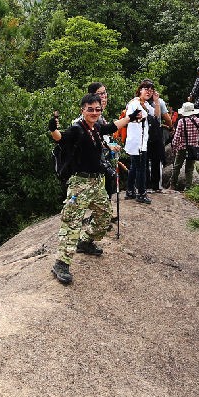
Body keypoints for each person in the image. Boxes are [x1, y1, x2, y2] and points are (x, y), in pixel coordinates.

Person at [48, 93, 129, 285]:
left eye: (97, 109)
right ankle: (61, 263)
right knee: (72, 223)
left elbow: (112, 126)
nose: (94, 112)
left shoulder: (97, 127)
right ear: (82, 110)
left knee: (104, 216)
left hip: (96, 183)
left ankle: (86, 241)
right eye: (90, 109)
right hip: (80, 184)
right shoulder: (77, 129)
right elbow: (61, 138)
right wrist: (53, 128)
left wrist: (131, 118)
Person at [124, 80, 161, 204]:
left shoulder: (144, 104)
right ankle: (141, 193)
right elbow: (130, 118)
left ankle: (130, 191)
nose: (149, 92)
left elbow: (156, 115)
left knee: (135, 167)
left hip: (141, 141)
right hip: (136, 141)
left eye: (151, 90)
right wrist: (141, 117)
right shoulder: (134, 103)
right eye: (146, 89)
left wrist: (156, 101)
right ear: (140, 89)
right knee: (141, 168)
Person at [169, 101, 199, 191]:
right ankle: (188, 187)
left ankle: (173, 185)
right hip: (194, 148)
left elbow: (177, 136)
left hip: (182, 147)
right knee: (189, 168)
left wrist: (174, 147)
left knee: (177, 166)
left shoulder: (181, 122)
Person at [147, 92, 171, 194]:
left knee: (145, 161)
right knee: (157, 161)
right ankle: (156, 185)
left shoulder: (138, 102)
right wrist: (170, 126)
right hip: (156, 134)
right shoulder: (160, 102)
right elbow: (167, 119)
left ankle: (145, 185)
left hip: (144, 135)